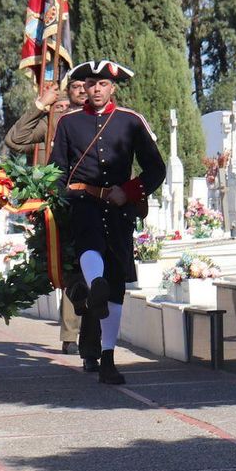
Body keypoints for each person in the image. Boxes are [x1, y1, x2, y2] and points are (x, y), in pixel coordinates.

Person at [49, 60, 166, 384]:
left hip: (119, 210)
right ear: (83, 88)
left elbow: (156, 169)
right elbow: (56, 170)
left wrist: (128, 192)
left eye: (102, 84)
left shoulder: (130, 121)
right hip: (82, 202)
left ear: (112, 87)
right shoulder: (69, 124)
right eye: (91, 84)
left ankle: (109, 358)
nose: (96, 89)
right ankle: (93, 285)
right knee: (89, 244)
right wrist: (60, 201)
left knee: (116, 286)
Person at [4, 78, 89, 359]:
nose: (78, 90)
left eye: (82, 86)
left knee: (93, 267)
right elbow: (15, 141)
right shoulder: (53, 124)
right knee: (70, 267)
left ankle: (91, 331)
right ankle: (70, 334)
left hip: (94, 200)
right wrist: (40, 106)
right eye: (73, 86)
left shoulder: (99, 120)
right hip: (60, 203)